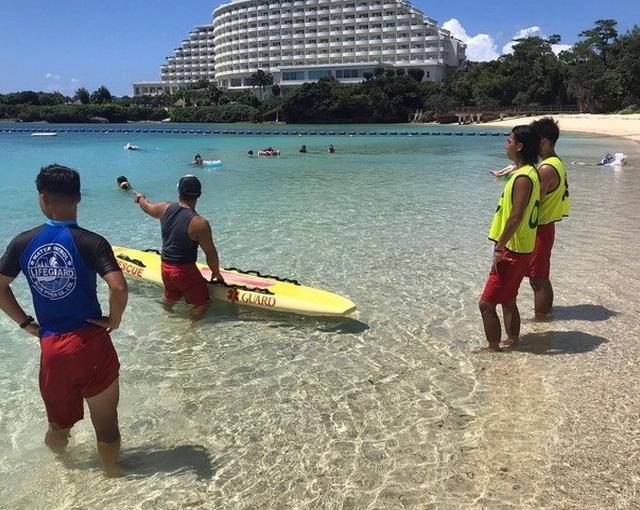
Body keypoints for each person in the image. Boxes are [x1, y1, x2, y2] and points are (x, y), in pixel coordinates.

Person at [0, 164, 128, 476]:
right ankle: (112, 476)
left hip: (53, 347)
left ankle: (60, 475)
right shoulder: (92, 242)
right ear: (79, 198)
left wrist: (24, 323)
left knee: (58, 426)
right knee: (106, 425)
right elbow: (118, 286)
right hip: (91, 343)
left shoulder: (23, 242)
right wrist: (114, 319)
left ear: (42, 199)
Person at [479, 126, 541, 352]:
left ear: (519, 146)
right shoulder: (528, 172)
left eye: (509, 141)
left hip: (512, 248)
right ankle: (513, 340)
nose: (506, 145)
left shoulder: (523, 178)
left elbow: (515, 216)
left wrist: (500, 246)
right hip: (522, 246)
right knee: (508, 298)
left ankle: (493, 349)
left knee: (486, 304)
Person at [133, 175, 224, 321]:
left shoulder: (164, 207)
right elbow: (211, 254)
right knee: (202, 304)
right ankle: (188, 334)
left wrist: (140, 198)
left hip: (165, 267)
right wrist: (216, 273)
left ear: (179, 192)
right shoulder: (199, 223)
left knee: (171, 298)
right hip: (184, 271)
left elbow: (147, 207)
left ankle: (167, 320)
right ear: (199, 194)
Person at [528, 118, 571, 321]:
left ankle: (541, 320)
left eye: (534, 140)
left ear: (544, 141)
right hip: (546, 226)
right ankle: (546, 315)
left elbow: (532, 200)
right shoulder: (555, 162)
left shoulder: (546, 169)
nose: (531, 145)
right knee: (540, 276)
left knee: (538, 278)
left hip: (541, 227)